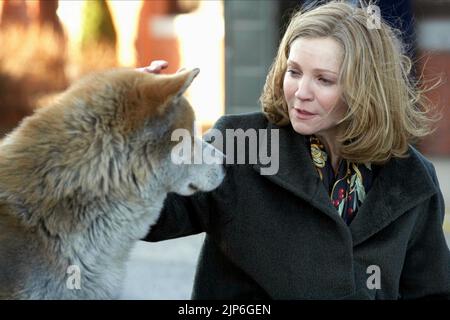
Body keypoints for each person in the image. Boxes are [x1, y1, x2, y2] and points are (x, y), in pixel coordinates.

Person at [140, 1, 450, 299]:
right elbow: (149, 218)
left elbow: (430, 292)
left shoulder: (412, 179)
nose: (301, 93)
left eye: (324, 80)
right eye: (294, 71)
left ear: (366, 89)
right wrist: (130, 129)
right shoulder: (239, 144)